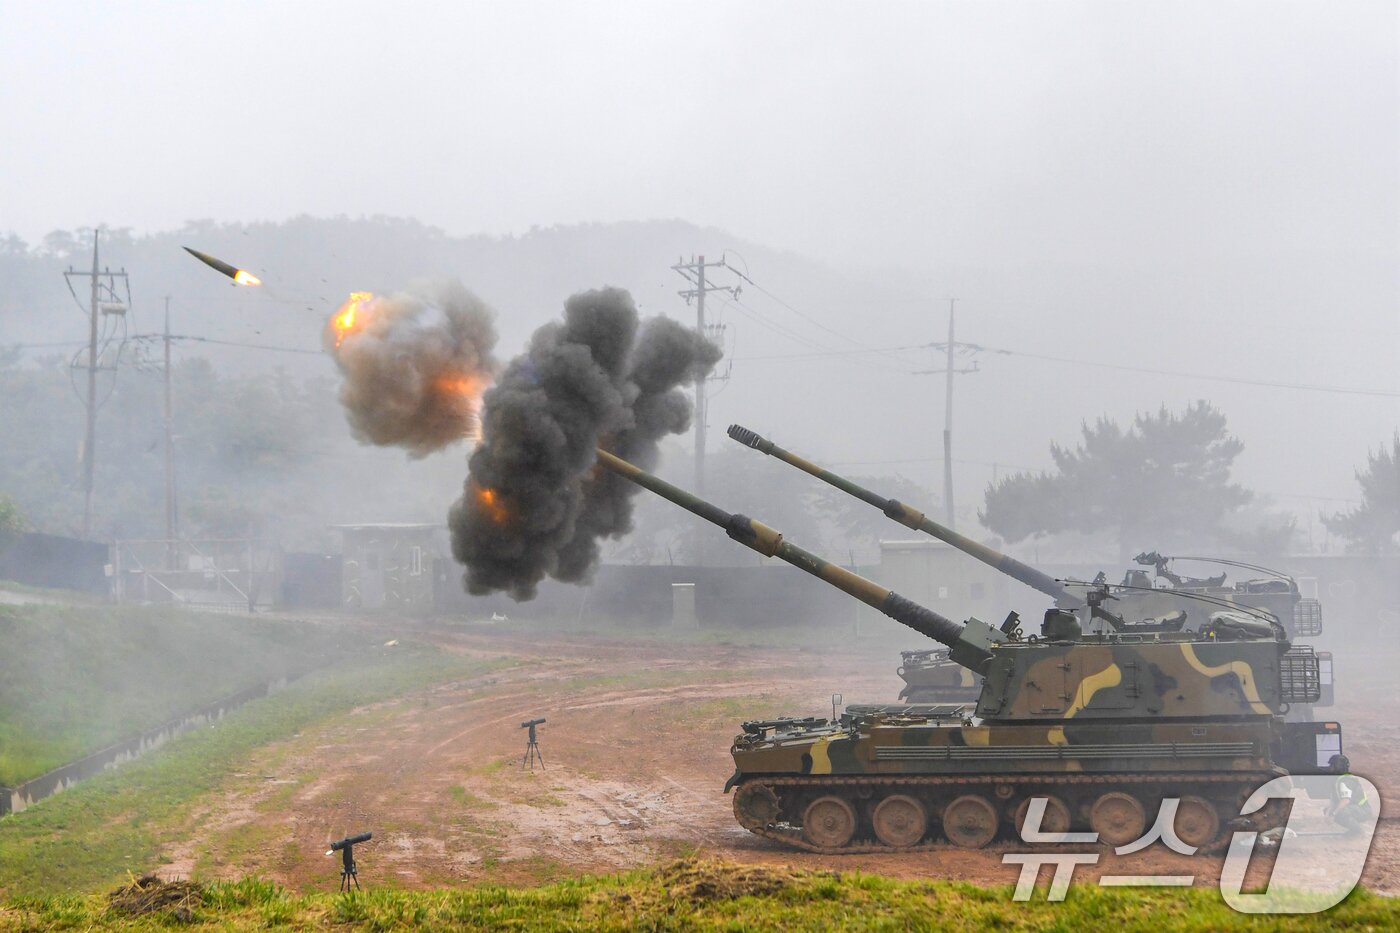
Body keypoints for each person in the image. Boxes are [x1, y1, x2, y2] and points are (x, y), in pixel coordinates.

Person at [1324, 754, 1371, 836]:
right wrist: (1328, 814)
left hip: (1363, 810)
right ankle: (1354, 829)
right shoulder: (1337, 780)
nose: (1330, 768)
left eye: (1332, 765)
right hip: (1353, 808)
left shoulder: (1345, 780)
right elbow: (1333, 801)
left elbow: (1345, 801)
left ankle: (1359, 831)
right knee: (1331, 810)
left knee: (1340, 812)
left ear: (1337, 767)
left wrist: (1333, 814)